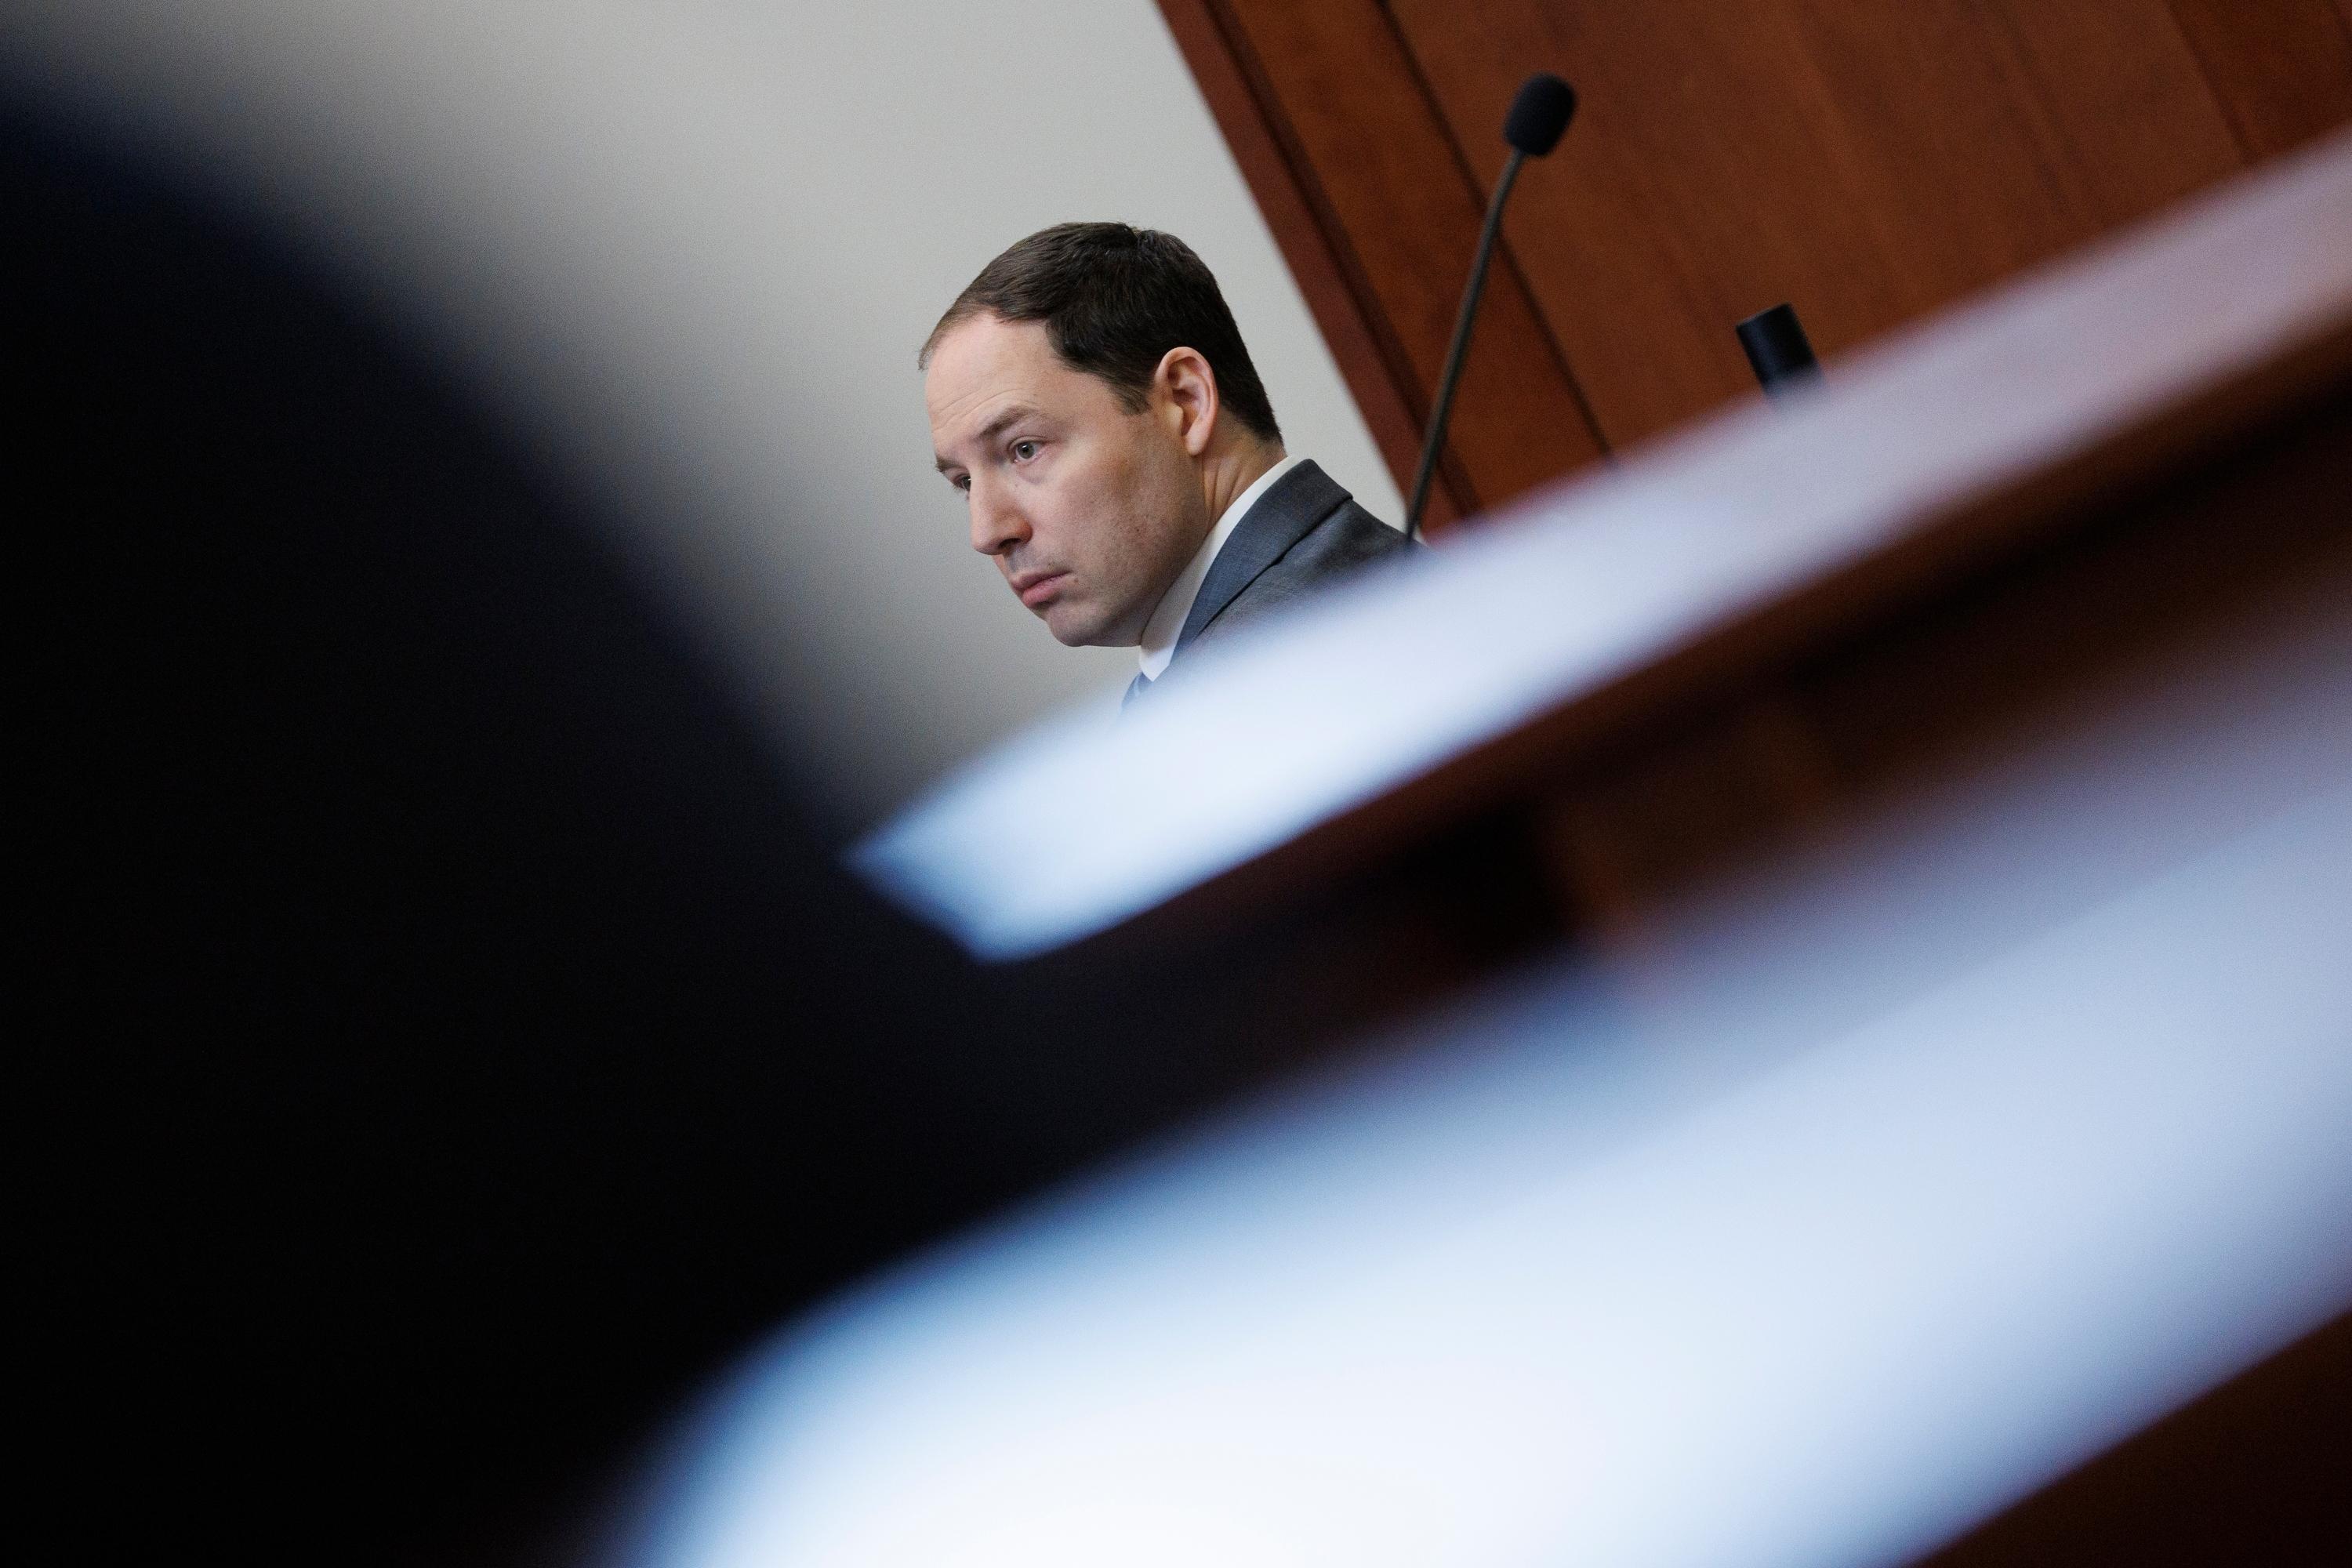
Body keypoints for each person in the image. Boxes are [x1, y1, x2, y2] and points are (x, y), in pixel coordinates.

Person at [922, 222, 1411, 708]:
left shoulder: (1280, 681)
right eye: (964, 481)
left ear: (1186, 402)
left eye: (1024, 449)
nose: (987, 533)